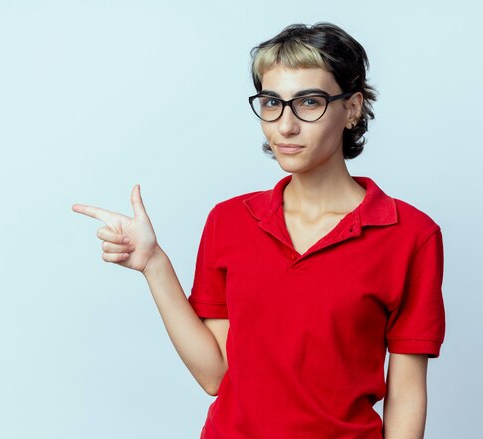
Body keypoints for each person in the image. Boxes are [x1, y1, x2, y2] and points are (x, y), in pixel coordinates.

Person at [72, 22, 445, 439]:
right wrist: (154, 264)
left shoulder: (410, 235)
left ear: (352, 108)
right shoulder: (229, 222)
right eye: (272, 103)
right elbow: (216, 375)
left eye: (309, 102)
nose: (285, 126)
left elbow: (407, 392)